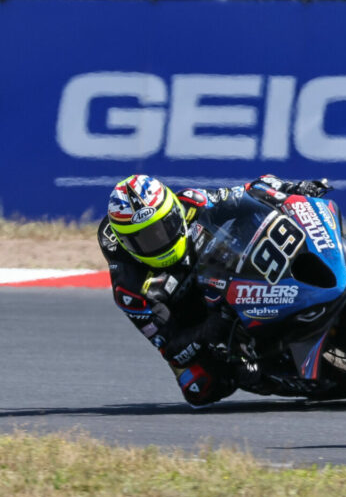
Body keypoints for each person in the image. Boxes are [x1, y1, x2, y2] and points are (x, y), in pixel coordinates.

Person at [97, 174, 331, 407]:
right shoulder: (132, 290)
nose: (161, 239)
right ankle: (293, 378)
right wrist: (211, 328)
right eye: (146, 239)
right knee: (200, 387)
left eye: (165, 226)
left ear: (174, 211)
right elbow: (172, 350)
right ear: (127, 244)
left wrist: (292, 188)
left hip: (231, 270)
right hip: (201, 319)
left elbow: (247, 191)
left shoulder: (191, 202)